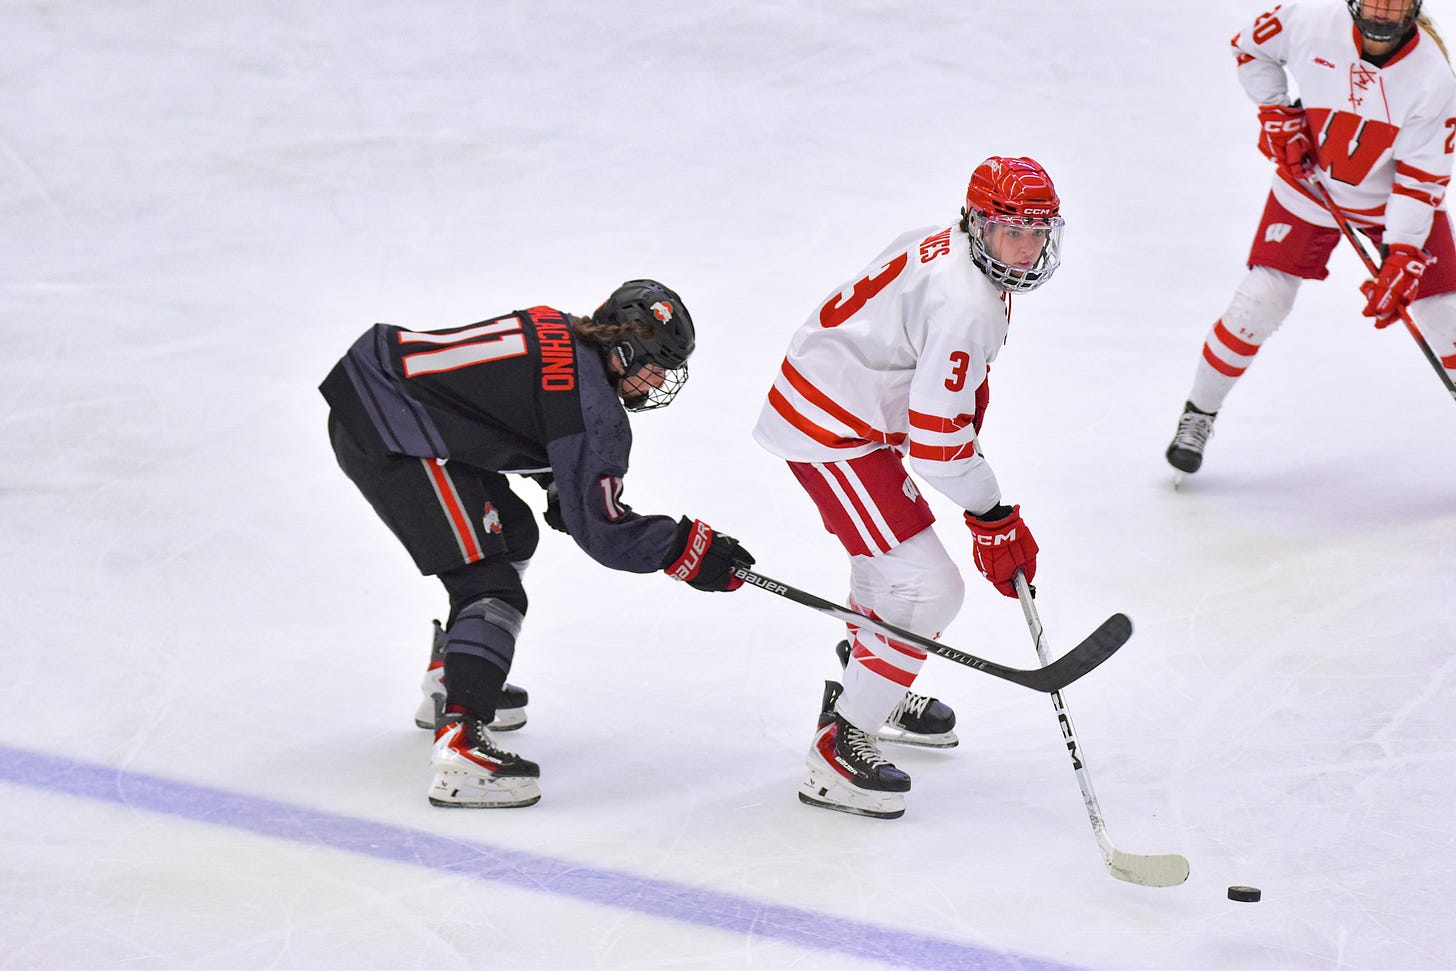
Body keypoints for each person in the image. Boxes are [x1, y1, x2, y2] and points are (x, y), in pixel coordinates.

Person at [320, 280, 754, 808]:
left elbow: (499, 406)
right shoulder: (594, 409)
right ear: (622, 351)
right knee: (491, 588)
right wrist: (687, 549)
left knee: (514, 533)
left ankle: (455, 674)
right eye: (655, 363)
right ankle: (461, 748)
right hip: (392, 433)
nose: (660, 379)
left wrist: (559, 483)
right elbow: (606, 533)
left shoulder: (563, 329)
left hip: (387, 398)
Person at [752, 157, 1065, 818]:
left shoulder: (949, 249)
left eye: (1039, 230)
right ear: (977, 223)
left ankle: (870, 681)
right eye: (1014, 230)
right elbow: (939, 449)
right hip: (833, 427)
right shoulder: (966, 302)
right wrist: (993, 515)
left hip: (841, 406)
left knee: (888, 569)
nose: (1029, 246)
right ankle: (840, 748)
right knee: (928, 588)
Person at [1165, 0, 1456, 474]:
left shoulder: (1433, 78)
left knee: (1446, 315)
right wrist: (1276, 113)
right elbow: (1249, 47)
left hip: (1391, 205)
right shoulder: (1310, 21)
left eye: (1397, 1)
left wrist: (1402, 252)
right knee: (1259, 300)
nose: (1383, 12)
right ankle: (1198, 413)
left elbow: (1419, 181)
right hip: (1308, 188)